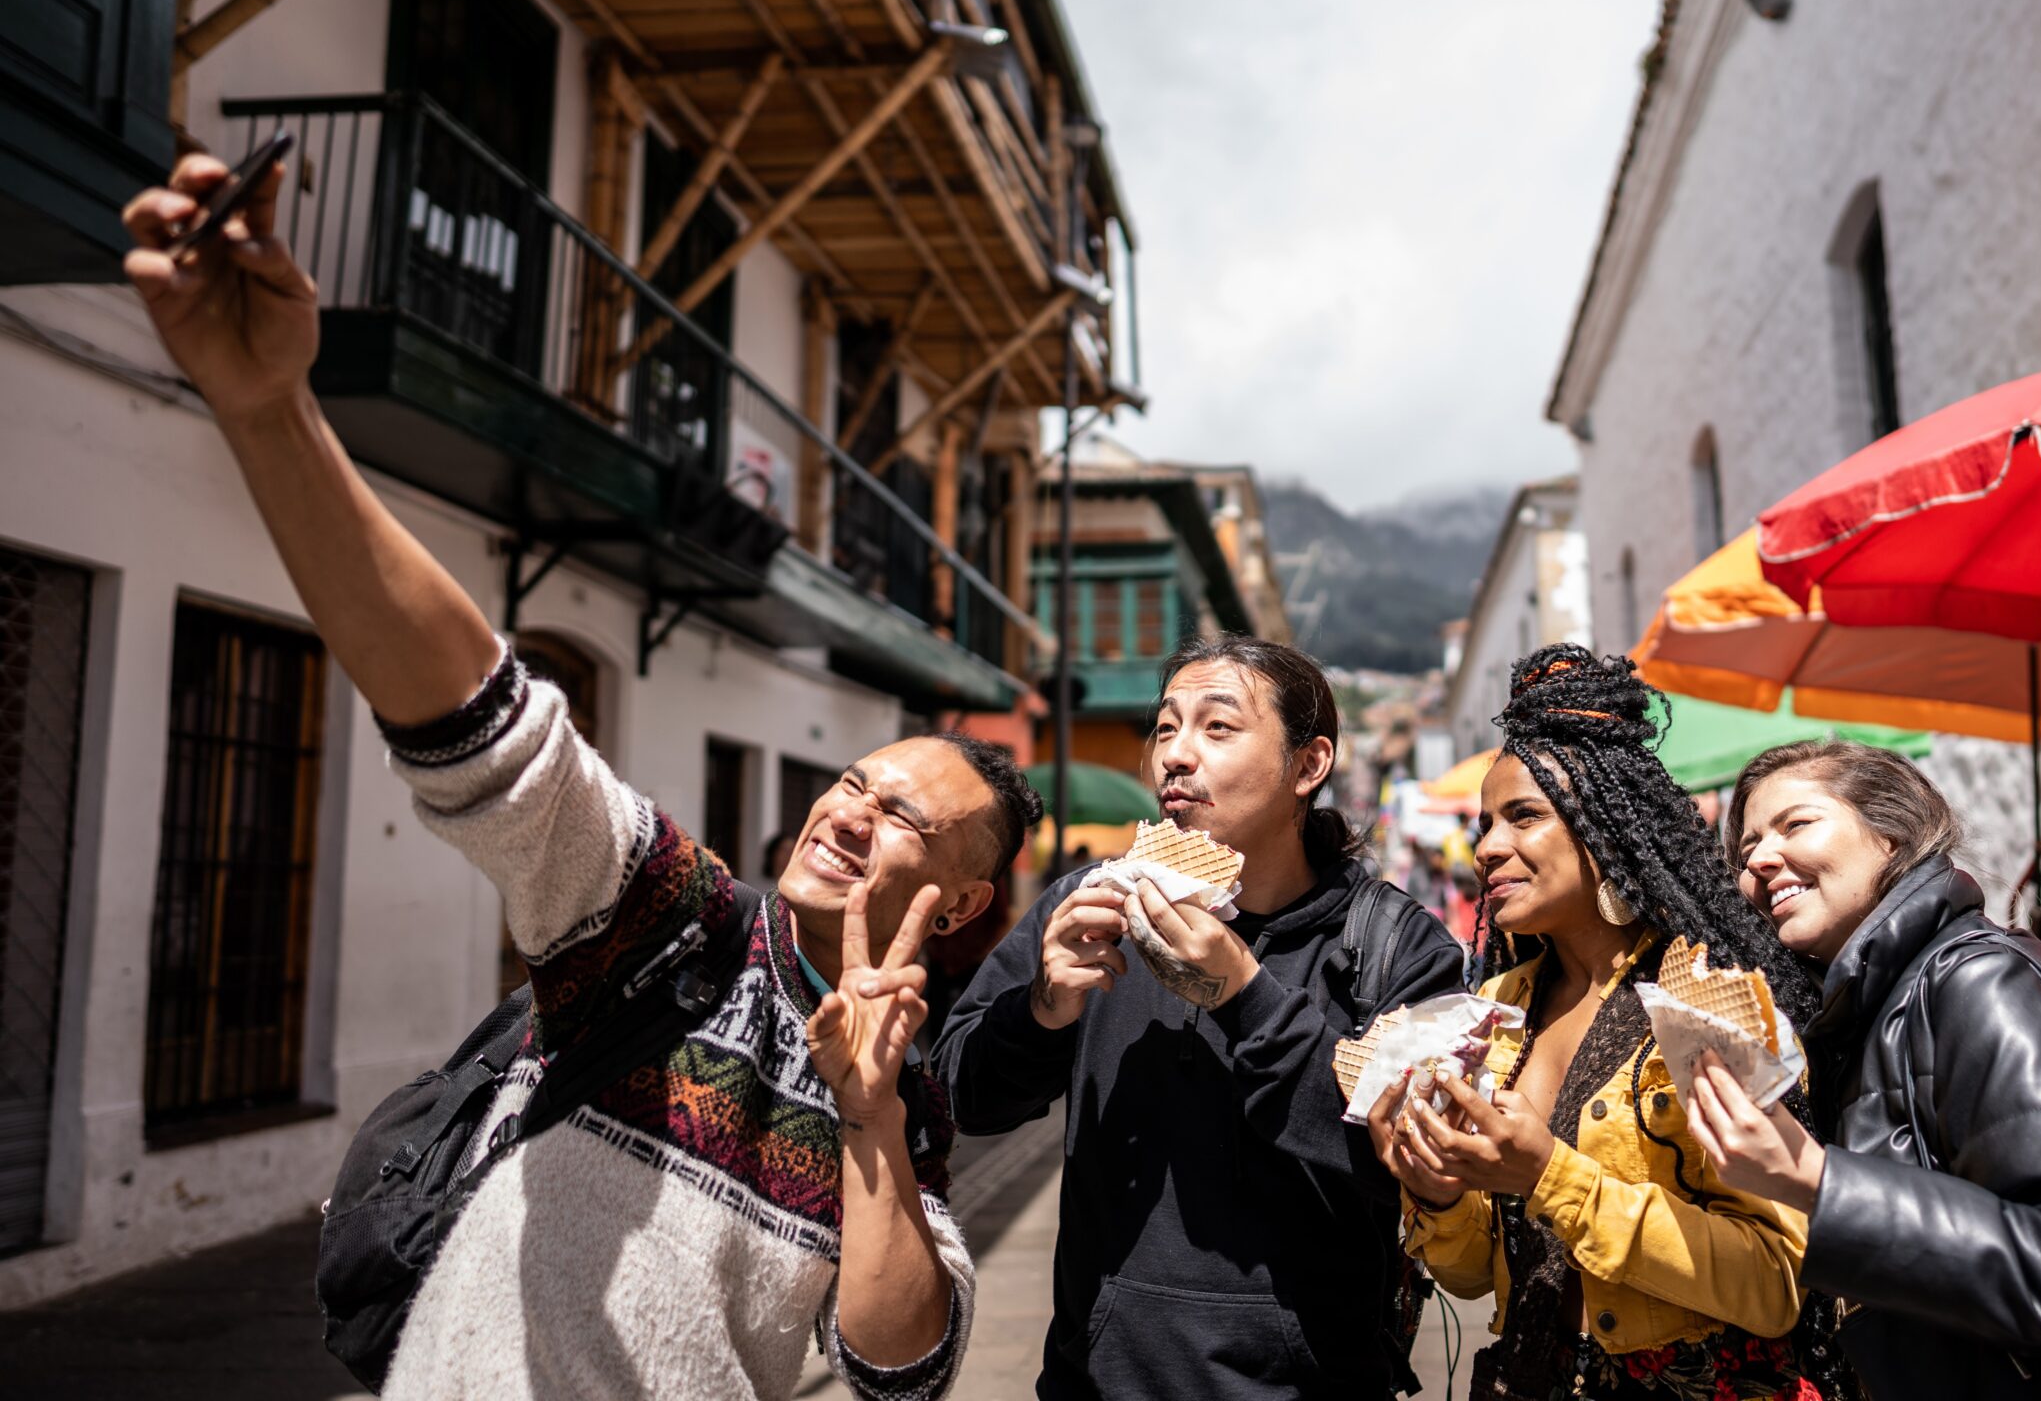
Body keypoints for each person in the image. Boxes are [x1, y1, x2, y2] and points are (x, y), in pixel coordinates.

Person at [121, 154, 1044, 1399]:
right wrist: (272, 409)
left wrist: (870, 1119)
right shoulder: (672, 923)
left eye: (904, 817)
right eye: (854, 781)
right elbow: (495, 733)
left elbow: (901, 1367)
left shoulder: (905, 1091)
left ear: (968, 900)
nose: (850, 812)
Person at [934, 635, 1465, 1400]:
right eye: (1165, 728)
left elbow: (1405, 1168)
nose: (1175, 756)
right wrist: (1042, 1010)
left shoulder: (1394, 944)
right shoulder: (1094, 904)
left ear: (1308, 765)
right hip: (1094, 1380)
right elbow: (962, 1097)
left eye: (1217, 728)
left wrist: (1245, 995)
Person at [1366, 646, 1831, 1400]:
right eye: (1486, 822)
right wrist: (1441, 1194)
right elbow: (1471, 1278)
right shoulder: (1500, 1010)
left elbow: (1775, 1282)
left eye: (1524, 816)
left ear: (1605, 827)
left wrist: (1552, 1175)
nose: (1486, 848)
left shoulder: (1705, 998)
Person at [1684, 740, 2041, 1399]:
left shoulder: (1976, 982)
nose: (1760, 860)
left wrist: (1818, 1180)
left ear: (1890, 835)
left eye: (1795, 824)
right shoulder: (1863, 1010)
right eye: (1746, 849)